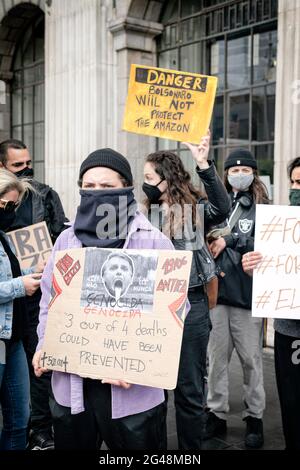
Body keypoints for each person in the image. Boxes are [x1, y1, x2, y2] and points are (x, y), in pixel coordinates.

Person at [32, 148, 176, 450]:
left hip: (131, 392)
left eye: (107, 187)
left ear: (125, 188)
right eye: (89, 187)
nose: (96, 193)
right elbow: (49, 300)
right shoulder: (66, 240)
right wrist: (45, 343)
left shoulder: (153, 241)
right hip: (73, 386)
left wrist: (136, 364)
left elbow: (174, 312)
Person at [142, 132, 231, 449]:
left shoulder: (194, 210)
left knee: (189, 390)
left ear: (166, 179)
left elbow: (223, 207)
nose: (146, 184)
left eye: (150, 178)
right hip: (153, 307)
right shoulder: (146, 216)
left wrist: (204, 163)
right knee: (152, 390)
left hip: (191, 306)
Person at [0, 139, 68, 450]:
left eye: (28, 162)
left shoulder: (45, 193)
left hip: (35, 296)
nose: (26, 168)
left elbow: (61, 233)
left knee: (38, 366)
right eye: (18, 165)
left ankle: (39, 429)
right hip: (11, 304)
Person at [204, 149, 269, 448]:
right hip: (217, 295)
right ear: (226, 174)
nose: (238, 174)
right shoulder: (215, 204)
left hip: (248, 296)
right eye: (233, 170)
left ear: (254, 173)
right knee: (216, 360)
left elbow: (269, 245)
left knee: (252, 361)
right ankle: (215, 414)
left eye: (245, 170)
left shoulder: (264, 208)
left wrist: (231, 240)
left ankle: (254, 417)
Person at [242, 156, 300, 450]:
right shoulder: (280, 225)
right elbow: (269, 268)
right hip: (289, 332)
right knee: (291, 402)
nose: (295, 188)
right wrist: (255, 266)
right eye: (293, 182)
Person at [0, 169, 43, 450]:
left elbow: (9, 272)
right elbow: (11, 283)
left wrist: (33, 272)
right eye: (5, 205)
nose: (10, 212)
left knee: (19, 419)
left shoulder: (2, 236)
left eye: (14, 206)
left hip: (13, 340)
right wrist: (20, 285)